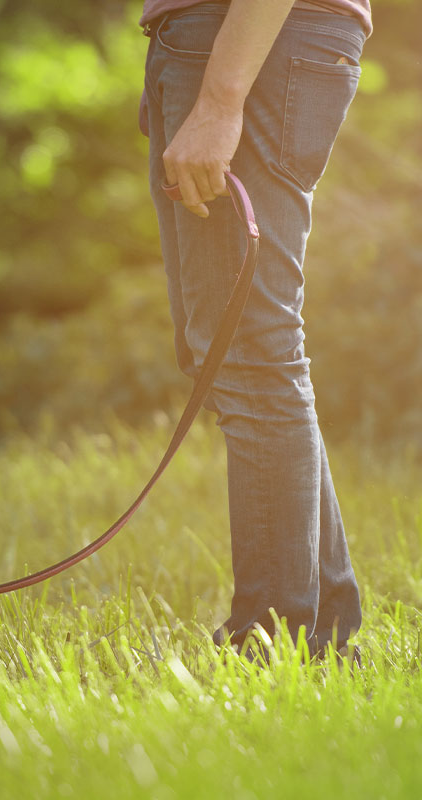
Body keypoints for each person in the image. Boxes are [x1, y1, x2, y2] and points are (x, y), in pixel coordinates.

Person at [139, 0, 372, 658]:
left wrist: (218, 98)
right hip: (223, 41)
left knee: (251, 352)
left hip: (249, 38)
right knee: (238, 348)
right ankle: (322, 631)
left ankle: (272, 639)